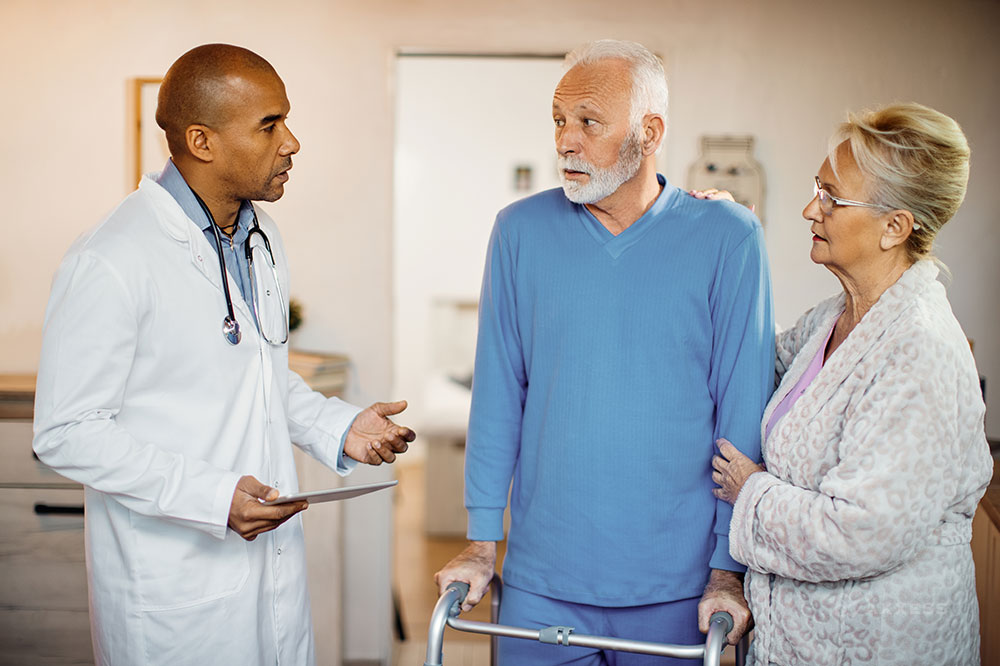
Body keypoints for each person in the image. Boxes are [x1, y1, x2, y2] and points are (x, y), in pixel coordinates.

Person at [32, 44, 415, 666]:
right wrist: (211, 497)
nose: (292, 143)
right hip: (173, 592)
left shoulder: (258, 241)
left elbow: (257, 377)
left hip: (269, 576)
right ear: (201, 141)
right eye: (270, 125)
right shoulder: (112, 258)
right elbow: (65, 432)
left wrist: (339, 427)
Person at [434, 39, 774, 664]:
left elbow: (742, 406)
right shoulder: (518, 231)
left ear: (650, 131)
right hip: (542, 582)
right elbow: (498, 395)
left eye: (588, 122)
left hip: (678, 585)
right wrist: (484, 541)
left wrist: (728, 566)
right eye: (559, 122)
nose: (566, 140)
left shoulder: (729, 238)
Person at [708, 103, 992, 665]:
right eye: (819, 188)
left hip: (879, 648)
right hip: (801, 642)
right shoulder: (836, 318)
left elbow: (860, 532)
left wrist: (751, 491)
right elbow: (759, 364)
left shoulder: (920, 350)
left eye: (833, 198)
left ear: (895, 227)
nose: (811, 208)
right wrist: (722, 245)